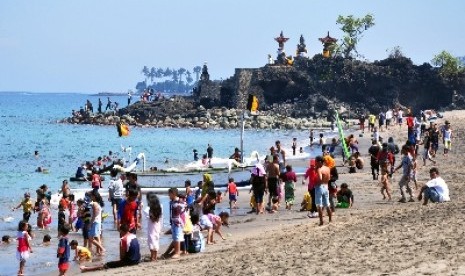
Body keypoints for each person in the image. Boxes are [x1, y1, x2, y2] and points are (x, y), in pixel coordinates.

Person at [163, 188, 186, 259]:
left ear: (173, 194)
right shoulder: (173, 201)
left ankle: (177, 252)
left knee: (177, 237)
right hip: (174, 221)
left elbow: (184, 207)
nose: (168, 195)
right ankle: (178, 251)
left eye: (169, 194)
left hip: (178, 222)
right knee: (175, 237)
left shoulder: (179, 201)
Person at [144, 192, 163, 261]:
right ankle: (155, 256)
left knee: (151, 241)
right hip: (158, 226)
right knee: (156, 240)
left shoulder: (147, 210)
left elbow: (149, 217)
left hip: (151, 227)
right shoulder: (160, 207)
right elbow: (159, 217)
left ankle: (152, 257)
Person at [314, 156, 332, 225]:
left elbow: (320, 178)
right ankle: (330, 220)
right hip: (326, 186)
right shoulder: (327, 168)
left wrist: (315, 183)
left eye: (316, 161)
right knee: (327, 204)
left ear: (319, 162)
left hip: (320, 187)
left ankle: (321, 222)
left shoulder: (319, 169)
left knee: (319, 205)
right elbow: (329, 178)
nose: (315, 163)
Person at [88, 190, 105, 255]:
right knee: (97, 238)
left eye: (91, 196)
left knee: (90, 238)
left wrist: (90, 223)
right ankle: (99, 252)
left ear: (94, 196)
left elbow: (95, 214)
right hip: (98, 222)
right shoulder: (98, 203)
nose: (90, 197)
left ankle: (102, 248)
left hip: (95, 222)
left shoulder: (94, 203)